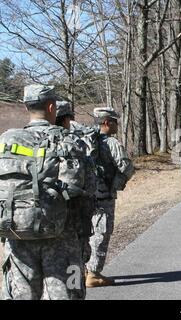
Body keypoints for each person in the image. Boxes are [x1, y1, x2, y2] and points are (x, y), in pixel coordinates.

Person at [1, 85, 87, 300]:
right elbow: (85, 192)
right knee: (66, 293)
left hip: (15, 232)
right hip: (62, 236)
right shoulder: (69, 141)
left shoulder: (6, 140)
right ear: (51, 107)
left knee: (20, 294)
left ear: (27, 107)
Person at [85, 107, 134, 287]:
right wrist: (115, 185)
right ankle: (94, 274)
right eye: (114, 122)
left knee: (85, 232)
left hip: (84, 197)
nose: (117, 125)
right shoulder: (111, 143)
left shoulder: (84, 141)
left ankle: (83, 269)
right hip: (103, 197)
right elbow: (127, 168)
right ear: (106, 122)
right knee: (101, 233)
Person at [55, 100, 97, 271]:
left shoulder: (21, 140)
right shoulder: (73, 144)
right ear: (67, 120)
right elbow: (85, 189)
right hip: (70, 224)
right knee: (72, 280)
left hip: (30, 226)